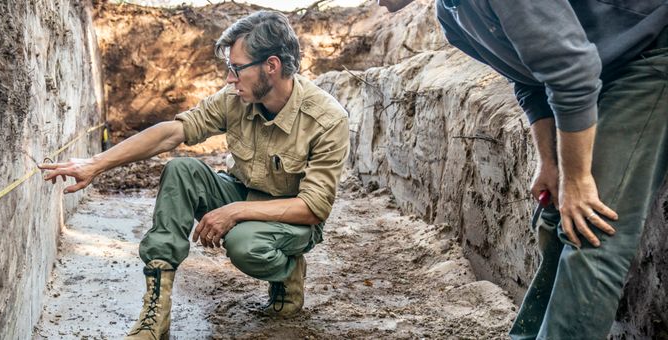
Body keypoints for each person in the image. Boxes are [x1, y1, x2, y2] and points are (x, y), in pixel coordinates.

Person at [39, 11, 349, 339]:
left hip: (292, 219)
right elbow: (173, 132)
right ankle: (155, 313)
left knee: (244, 245)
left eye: (236, 68)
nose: (230, 79)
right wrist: (96, 164)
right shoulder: (236, 99)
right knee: (181, 169)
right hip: (244, 191)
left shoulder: (326, 119)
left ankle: (287, 273)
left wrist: (234, 212)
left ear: (270, 66)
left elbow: (314, 208)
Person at [411, 0, 668, 338]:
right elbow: (529, 79)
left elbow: (573, 72)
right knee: (554, 214)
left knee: (591, 227)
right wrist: (549, 162)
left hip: (648, 51)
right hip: (597, 66)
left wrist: (577, 178)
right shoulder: (451, 15)